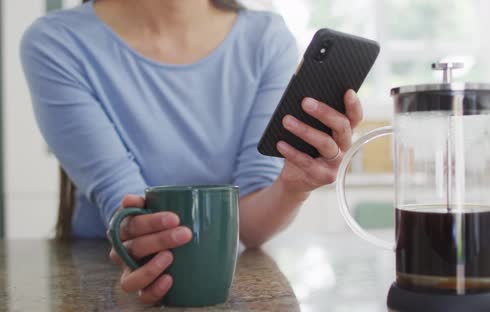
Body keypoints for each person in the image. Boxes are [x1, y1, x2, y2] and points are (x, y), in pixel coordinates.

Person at [21, 0, 363, 305]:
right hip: (103, 268)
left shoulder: (266, 39)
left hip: (218, 270)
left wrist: (292, 189)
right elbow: (125, 208)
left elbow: (249, 227)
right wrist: (139, 239)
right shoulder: (56, 42)